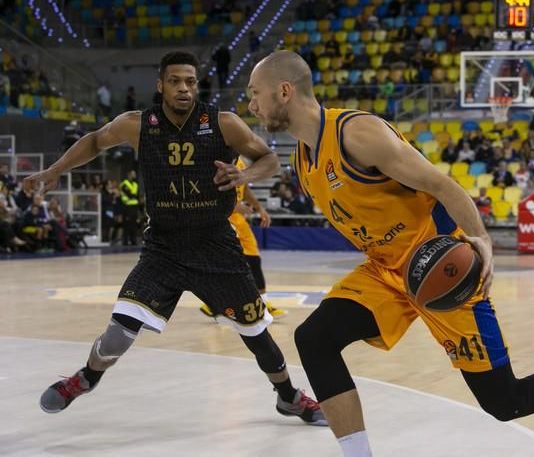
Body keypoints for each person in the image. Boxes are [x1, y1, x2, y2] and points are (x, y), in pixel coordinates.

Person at [246, 51, 534, 457]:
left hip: (440, 266)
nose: (251, 106)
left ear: (284, 91)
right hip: (385, 272)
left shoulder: (357, 134)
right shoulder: (303, 157)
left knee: (506, 402)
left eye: (254, 94)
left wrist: (482, 240)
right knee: (314, 339)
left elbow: (442, 185)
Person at [25, 51, 325, 426]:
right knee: (119, 329)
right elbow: (95, 140)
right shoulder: (137, 125)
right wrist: (55, 171)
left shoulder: (224, 124)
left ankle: (289, 397)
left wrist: (244, 176)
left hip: (215, 244)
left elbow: (268, 159)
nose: (183, 88)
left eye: (190, 81)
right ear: (160, 85)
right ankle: (86, 377)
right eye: (175, 81)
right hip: (163, 247)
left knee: (257, 334)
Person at [199, 156, 286, 319]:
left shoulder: (240, 161)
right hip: (221, 217)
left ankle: (259, 302)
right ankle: (216, 302)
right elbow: (203, 189)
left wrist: (260, 208)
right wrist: (232, 204)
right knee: (232, 263)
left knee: (253, 258)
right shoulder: (216, 158)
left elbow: (244, 189)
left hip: (239, 220)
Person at [119, 170, 140, 246]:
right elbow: (129, 194)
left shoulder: (136, 184)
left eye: (135, 174)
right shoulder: (124, 183)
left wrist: (133, 196)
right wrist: (133, 196)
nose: (134, 175)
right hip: (127, 207)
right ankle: (125, 242)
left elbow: (137, 196)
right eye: (133, 174)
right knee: (126, 225)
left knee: (134, 225)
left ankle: (133, 241)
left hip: (134, 207)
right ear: (129, 175)